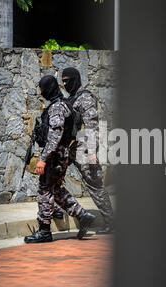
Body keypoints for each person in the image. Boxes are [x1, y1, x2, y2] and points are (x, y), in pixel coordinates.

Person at [24, 75, 96, 244]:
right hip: (59, 154)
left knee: (44, 190)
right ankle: (82, 215)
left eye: (43, 89)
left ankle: (44, 231)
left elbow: (55, 137)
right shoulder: (61, 104)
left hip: (55, 155)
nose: (42, 93)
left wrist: (43, 159)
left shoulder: (57, 107)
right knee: (55, 189)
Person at [53, 67, 115, 234]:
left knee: (94, 184)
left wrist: (93, 152)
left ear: (75, 79)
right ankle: (54, 210)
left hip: (84, 149)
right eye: (63, 81)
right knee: (53, 177)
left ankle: (111, 221)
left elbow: (93, 127)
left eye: (67, 80)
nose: (65, 84)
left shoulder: (85, 98)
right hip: (70, 148)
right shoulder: (72, 98)